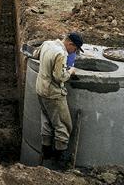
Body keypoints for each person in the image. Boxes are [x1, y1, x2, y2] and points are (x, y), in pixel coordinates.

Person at [32, 32, 84, 168]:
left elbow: (36, 54)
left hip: (40, 89)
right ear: (70, 44)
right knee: (63, 125)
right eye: (76, 49)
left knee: (46, 119)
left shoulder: (48, 44)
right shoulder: (61, 53)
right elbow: (59, 77)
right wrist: (71, 71)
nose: (75, 52)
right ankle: (60, 158)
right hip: (52, 94)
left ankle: (46, 149)